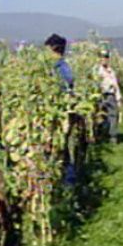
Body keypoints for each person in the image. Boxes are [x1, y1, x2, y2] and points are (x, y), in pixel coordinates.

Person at [45, 33, 82, 185]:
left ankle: (67, 183)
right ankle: (64, 182)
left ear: (53, 49)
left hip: (60, 114)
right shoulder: (61, 67)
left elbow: (67, 87)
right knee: (60, 148)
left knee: (62, 149)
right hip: (58, 113)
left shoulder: (60, 69)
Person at [96, 49, 123, 144]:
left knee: (113, 115)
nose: (104, 59)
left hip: (110, 95)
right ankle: (100, 136)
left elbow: (116, 85)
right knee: (100, 116)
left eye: (106, 57)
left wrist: (118, 98)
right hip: (100, 95)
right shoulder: (97, 71)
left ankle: (113, 137)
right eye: (102, 57)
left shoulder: (111, 71)